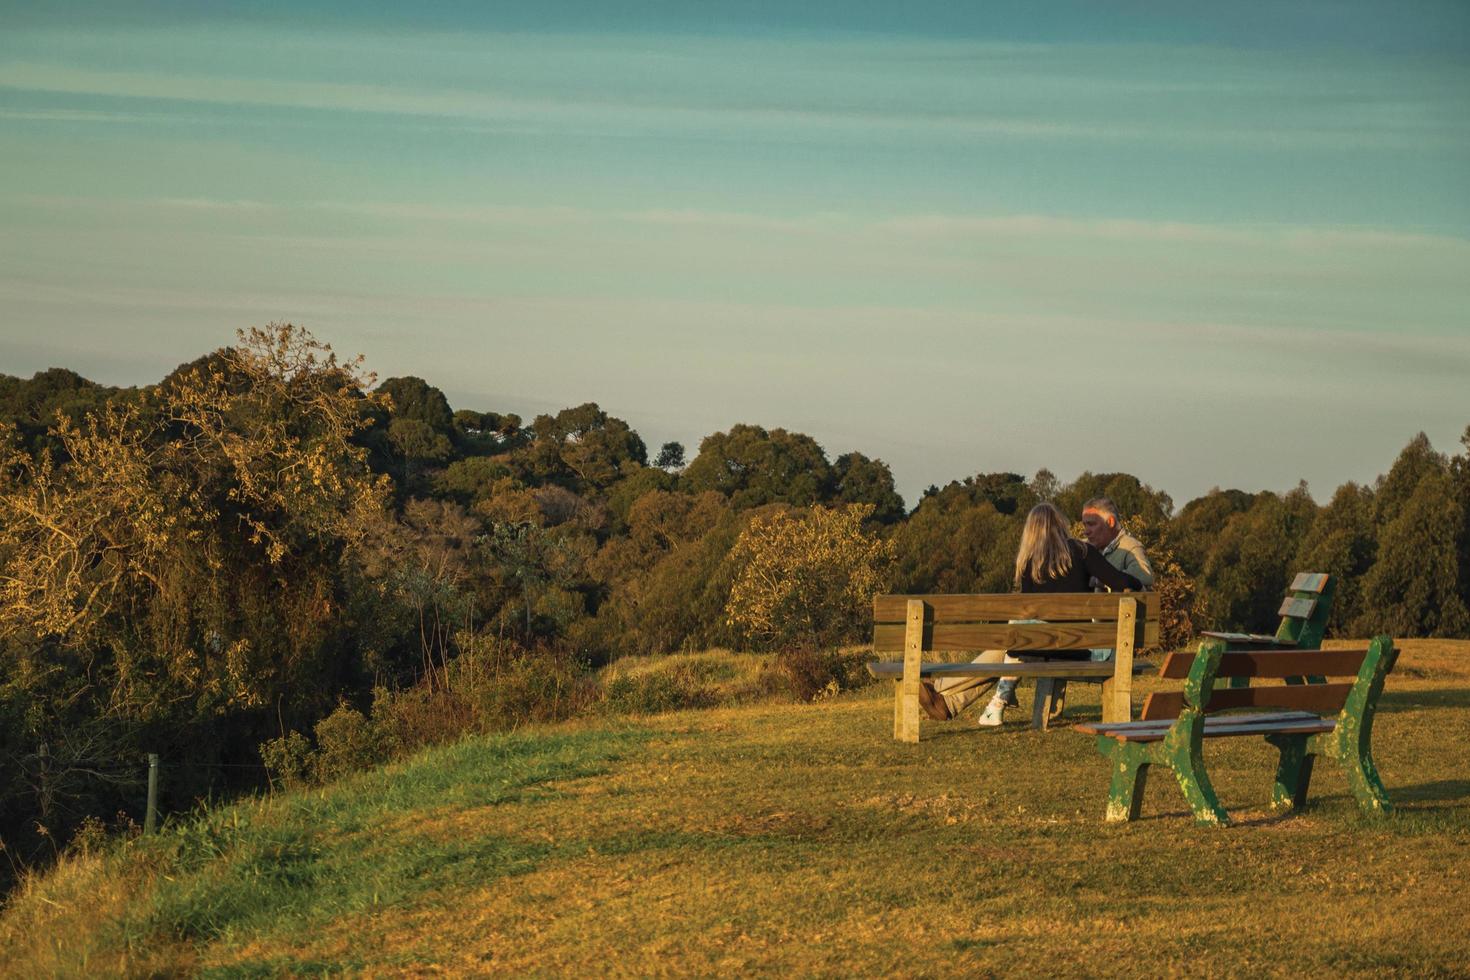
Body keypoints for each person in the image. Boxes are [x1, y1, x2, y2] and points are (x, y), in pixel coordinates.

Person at [916, 502, 1143, 726]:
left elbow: (1027, 611)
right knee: (1011, 644)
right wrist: (1128, 580)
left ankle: (941, 691)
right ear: (1060, 525)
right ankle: (948, 702)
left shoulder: (1028, 564)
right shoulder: (1083, 552)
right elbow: (1124, 582)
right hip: (1076, 647)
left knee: (1010, 643)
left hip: (1038, 646)